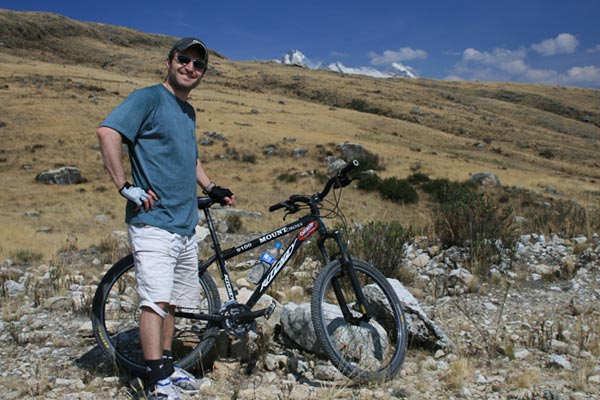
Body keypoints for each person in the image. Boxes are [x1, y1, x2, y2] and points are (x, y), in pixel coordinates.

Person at [97, 37, 234, 400]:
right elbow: (108, 132)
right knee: (155, 302)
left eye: (198, 65)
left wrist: (211, 185)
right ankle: (157, 383)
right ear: (170, 61)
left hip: (185, 223)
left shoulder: (187, 112)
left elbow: (190, 158)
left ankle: (168, 368)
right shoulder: (148, 98)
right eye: (184, 59)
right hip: (153, 221)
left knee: (171, 300)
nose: (190, 68)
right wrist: (124, 185)